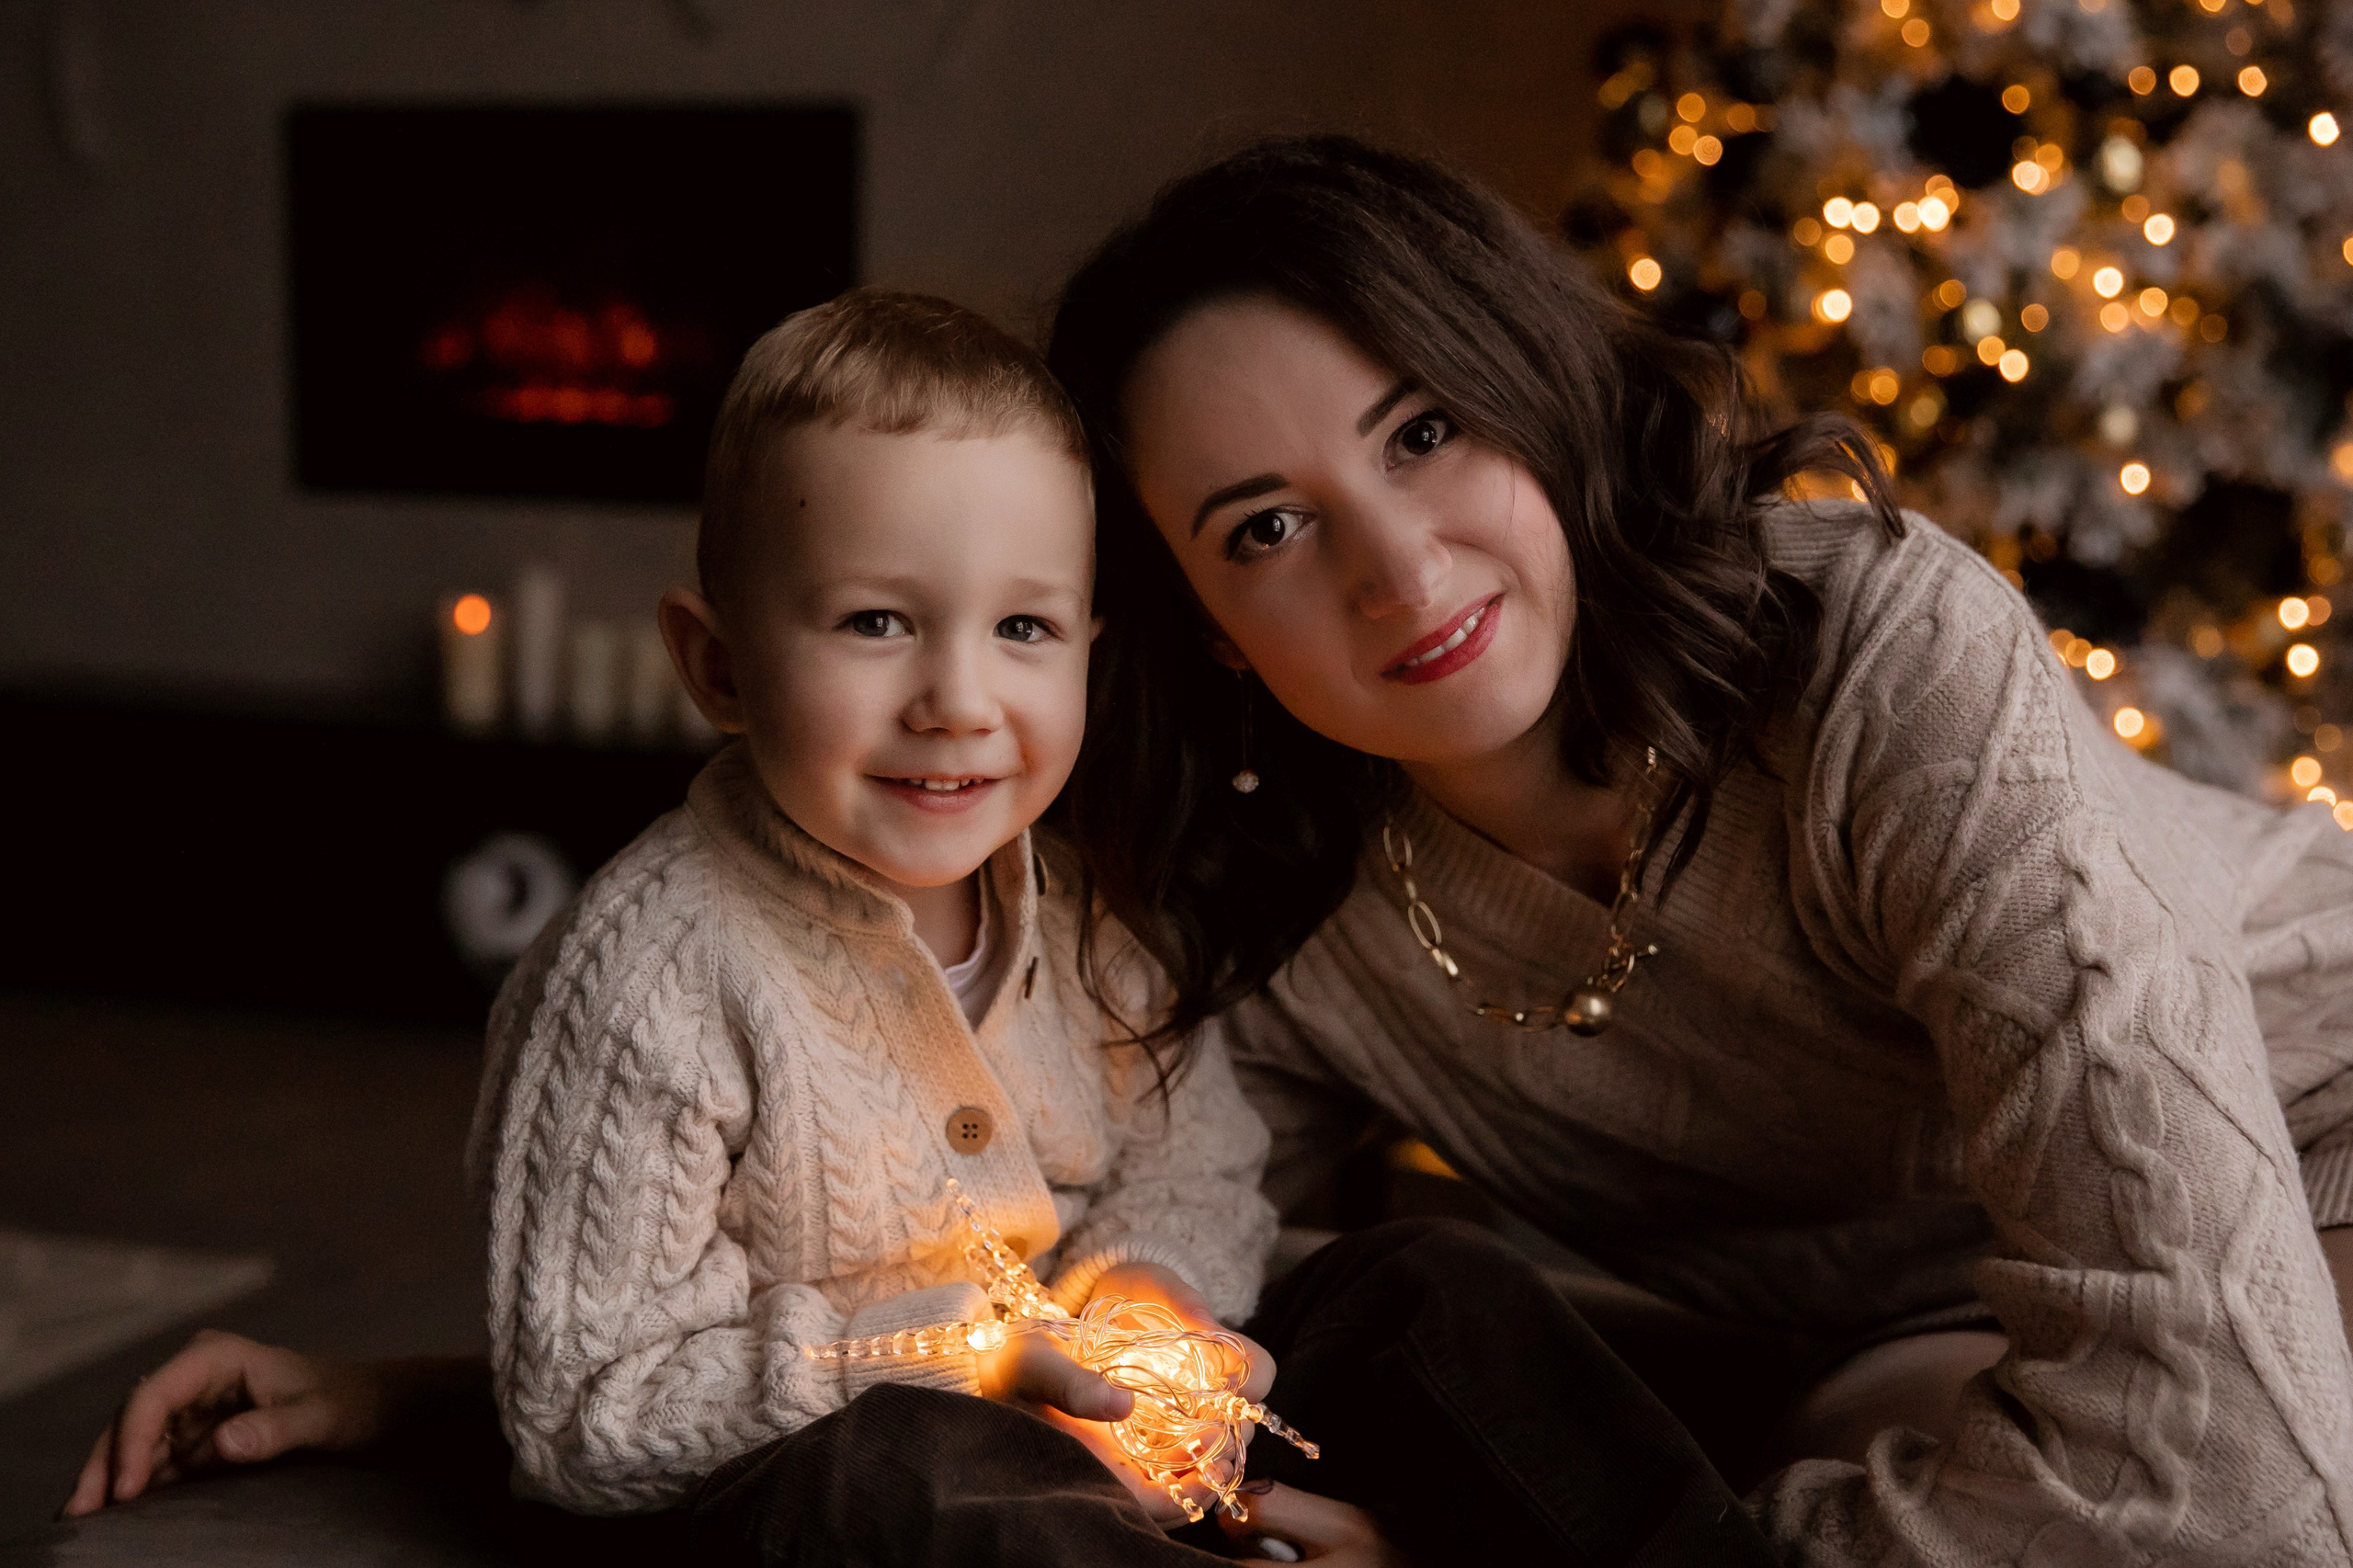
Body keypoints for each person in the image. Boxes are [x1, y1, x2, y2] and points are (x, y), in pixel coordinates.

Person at [65, 279, 1778, 1566]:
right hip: (816, 1481)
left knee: (1424, 1282)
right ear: (722, 668)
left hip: (1095, 1402)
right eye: (880, 623)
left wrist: (1149, 1300)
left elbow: (1196, 1150)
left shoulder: (1092, 905)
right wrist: (957, 1355)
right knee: (929, 1477)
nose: (961, 701)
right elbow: (585, 1410)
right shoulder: (653, 973)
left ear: (1090, 654)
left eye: (1023, 631)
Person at [1043, 135, 2353, 1562]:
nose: (1399, 571)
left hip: (2308, 1150)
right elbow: (1169, 1192)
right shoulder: (1284, 896)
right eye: (1269, 527)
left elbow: (2239, 1482)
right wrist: (1135, 1324)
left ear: (1528, 393)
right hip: (1943, 1324)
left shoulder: (1877, 662)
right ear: (1206, 624)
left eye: (1424, 433)